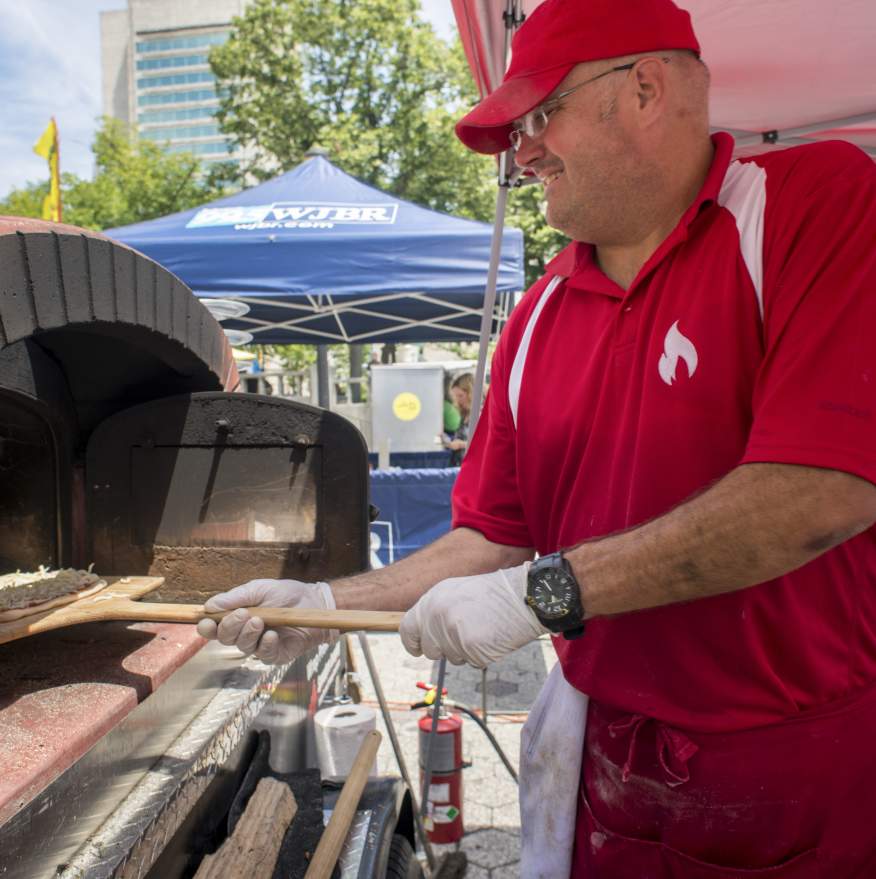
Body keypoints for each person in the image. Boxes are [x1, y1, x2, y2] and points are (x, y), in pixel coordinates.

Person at [197, 0, 876, 874]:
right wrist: (333, 606)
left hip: (797, 762)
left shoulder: (814, 204)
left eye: (539, 116)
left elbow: (823, 487)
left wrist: (546, 593)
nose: (523, 155)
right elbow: (495, 537)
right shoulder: (538, 316)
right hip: (606, 764)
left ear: (643, 89)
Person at [444, 372, 473, 465]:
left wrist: (461, 444)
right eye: (455, 396)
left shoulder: (481, 415)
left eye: (460, 395)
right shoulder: (464, 414)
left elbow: (485, 445)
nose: (457, 400)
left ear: (471, 394)